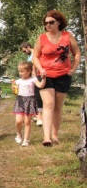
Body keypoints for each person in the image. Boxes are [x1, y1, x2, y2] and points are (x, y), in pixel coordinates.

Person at [32, 10, 81, 146]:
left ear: (58, 22)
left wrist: (73, 69)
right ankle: (46, 138)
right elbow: (35, 56)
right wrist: (40, 68)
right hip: (45, 75)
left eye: (51, 22)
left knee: (58, 106)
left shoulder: (67, 36)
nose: (48, 25)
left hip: (64, 75)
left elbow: (77, 53)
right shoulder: (41, 38)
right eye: (46, 23)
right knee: (48, 104)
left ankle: (55, 135)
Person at [12, 61, 46, 147]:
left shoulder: (33, 79)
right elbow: (15, 92)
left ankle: (26, 140)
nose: (20, 73)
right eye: (19, 71)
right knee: (18, 121)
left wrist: (44, 78)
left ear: (29, 71)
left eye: (22, 71)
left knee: (27, 122)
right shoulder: (18, 81)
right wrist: (13, 86)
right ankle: (19, 134)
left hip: (30, 100)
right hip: (20, 101)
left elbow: (41, 85)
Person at [20, 42, 43, 127]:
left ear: (28, 47)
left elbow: (35, 66)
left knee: (37, 97)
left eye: (24, 50)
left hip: (37, 77)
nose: (24, 52)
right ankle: (38, 116)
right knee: (34, 97)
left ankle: (40, 117)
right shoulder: (29, 56)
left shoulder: (35, 54)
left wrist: (34, 76)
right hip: (32, 78)